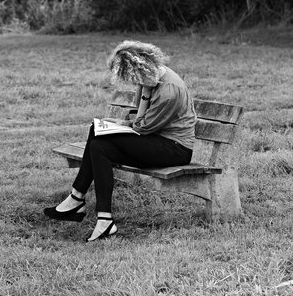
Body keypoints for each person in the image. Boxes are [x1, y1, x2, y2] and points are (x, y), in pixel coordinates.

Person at [44, 40, 197, 242]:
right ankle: (103, 219)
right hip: (154, 140)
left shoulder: (169, 90)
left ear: (138, 68)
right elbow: (141, 120)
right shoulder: (150, 78)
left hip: (174, 149)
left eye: (131, 77)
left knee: (98, 135)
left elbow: (143, 127)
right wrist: (127, 118)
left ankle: (76, 200)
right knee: (98, 144)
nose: (134, 82)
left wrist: (125, 121)